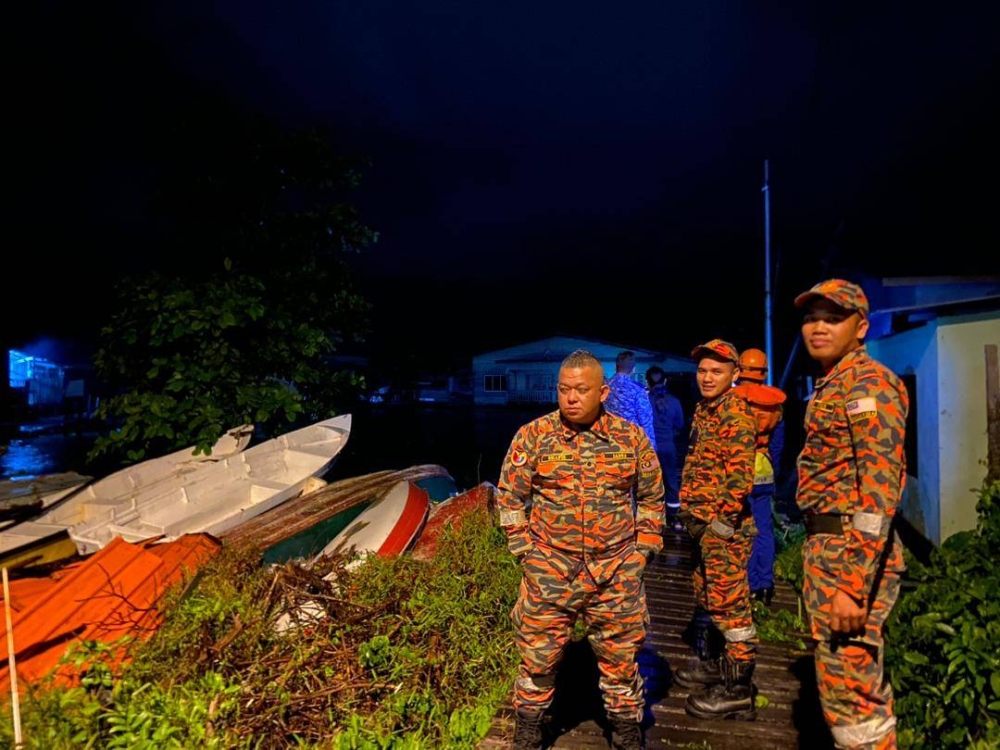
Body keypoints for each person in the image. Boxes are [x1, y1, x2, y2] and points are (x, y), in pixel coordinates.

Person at [497, 348, 665, 750]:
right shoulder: (533, 436)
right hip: (551, 569)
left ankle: (625, 728)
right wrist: (525, 551)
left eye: (581, 390)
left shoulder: (630, 439)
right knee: (537, 657)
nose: (571, 398)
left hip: (615, 571)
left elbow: (653, 499)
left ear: (603, 392)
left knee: (621, 658)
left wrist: (642, 552)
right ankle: (529, 726)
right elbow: (509, 498)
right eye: (564, 389)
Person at [794, 279, 908, 750]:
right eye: (811, 318)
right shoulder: (836, 382)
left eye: (833, 318)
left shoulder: (868, 385)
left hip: (850, 555)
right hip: (830, 548)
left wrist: (852, 584)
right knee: (840, 683)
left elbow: (878, 494)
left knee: (855, 697)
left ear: (861, 328)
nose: (818, 327)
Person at [673, 339, 759, 721]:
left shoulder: (735, 414)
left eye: (717, 371)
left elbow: (740, 480)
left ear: (735, 374)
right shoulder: (705, 409)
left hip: (723, 531)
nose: (707, 377)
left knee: (731, 608)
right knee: (708, 597)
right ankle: (717, 666)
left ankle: (738, 691)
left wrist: (720, 529)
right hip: (703, 525)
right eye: (703, 370)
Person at [732, 348, 787, 606]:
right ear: (764, 372)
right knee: (764, 529)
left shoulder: (731, 400)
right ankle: (766, 585)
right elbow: (777, 444)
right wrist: (774, 470)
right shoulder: (775, 403)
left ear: (739, 369)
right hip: (763, 467)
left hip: (737, 470)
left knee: (742, 529)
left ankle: (749, 583)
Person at [645, 365, 686, 532]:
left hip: (649, 449)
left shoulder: (644, 401)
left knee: (650, 484)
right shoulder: (674, 401)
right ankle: (674, 518)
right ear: (665, 381)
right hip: (668, 447)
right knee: (671, 481)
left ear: (647, 382)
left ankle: (652, 519)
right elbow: (680, 425)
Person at [605, 351, 657, 452]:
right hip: (631, 443)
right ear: (633, 369)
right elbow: (646, 421)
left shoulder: (604, 388)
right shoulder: (637, 390)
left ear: (615, 367)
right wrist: (651, 448)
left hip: (610, 442)